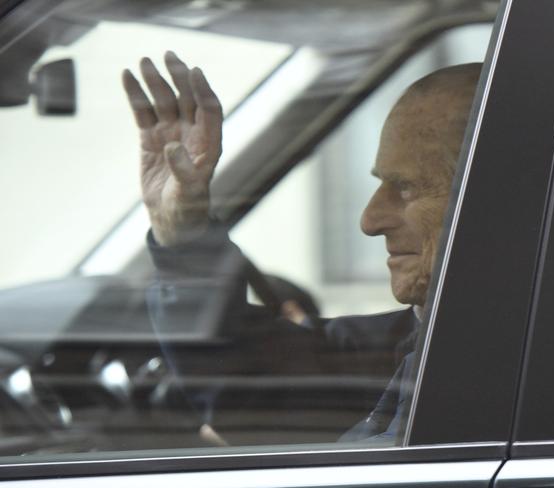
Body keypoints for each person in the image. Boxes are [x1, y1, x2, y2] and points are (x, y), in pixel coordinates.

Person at [122, 52, 480, 444]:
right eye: (380, 183)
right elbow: (262, 384)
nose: (370, 221)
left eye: (407, 186)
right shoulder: (424, 333)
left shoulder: (503, 365)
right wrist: (182, 231)